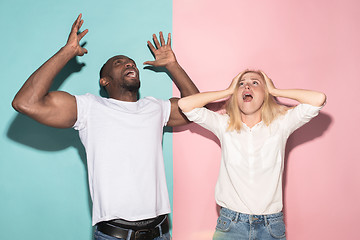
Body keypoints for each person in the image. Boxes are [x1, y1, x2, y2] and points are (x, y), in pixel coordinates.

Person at [12, 14, 199, 240]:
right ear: (105, 81)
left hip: (161, 232)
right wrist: (67, 52)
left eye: (131, 62)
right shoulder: (89, 107)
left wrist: (172, 65)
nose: (129, 63)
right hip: (116, 235)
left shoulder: (154, 107)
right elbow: (25, 102)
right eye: (119, 62)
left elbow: (195, 110)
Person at [178, 70, 326, 240]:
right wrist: (227, 91)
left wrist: (276, 91)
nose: (246, 85)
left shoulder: (281, 124)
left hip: (271, 227)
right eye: (241, 83)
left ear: (265, 93)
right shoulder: (223, 124)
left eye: (255, 82)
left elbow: (318, 99)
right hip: (230, 224)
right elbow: (185, 105)